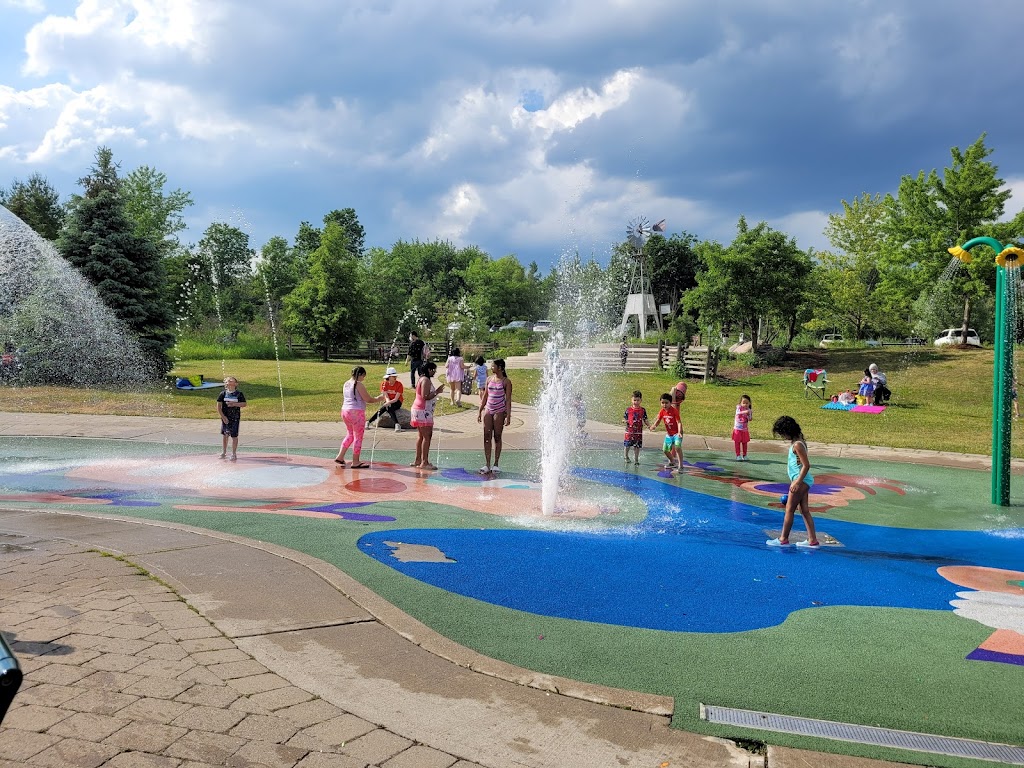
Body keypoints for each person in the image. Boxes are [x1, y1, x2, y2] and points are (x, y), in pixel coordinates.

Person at [767, 415, 819, 548]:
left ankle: (783, 539)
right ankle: (812, 540)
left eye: (782, 434)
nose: (783, 437)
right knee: (804, 510)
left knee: (789, 509)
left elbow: (806, 465)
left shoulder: (797, 444)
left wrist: (796, 482)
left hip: (800, 481)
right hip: (803, 480)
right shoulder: (798, 442)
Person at [335, 366, 394, 468]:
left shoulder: (346, 384)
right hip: (356, 413)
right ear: (361, 374)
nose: (364, 378)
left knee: (350, 434)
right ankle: (355, 461)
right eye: (364, 376)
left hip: (345, 411)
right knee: (358, 437)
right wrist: (380, 398)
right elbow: (368, 399)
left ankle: (340, 456)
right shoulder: (358, 385)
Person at [477, 358, 512, 475]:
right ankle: (487, 464)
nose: (491, 367)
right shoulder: (489, 379)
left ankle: (496, 463)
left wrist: (509, 415)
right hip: (488, 409)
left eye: (493, 366)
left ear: (500, 368)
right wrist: (480, 410)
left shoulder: (506, 382)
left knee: (497, 436)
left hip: (499, 410)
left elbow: (508, 400)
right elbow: (485, 396)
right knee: (487, 436)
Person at [410, 360, 445, 470]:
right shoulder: (425, 380)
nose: (435, 372)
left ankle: (418, 460)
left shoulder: (421, 378)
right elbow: (425, 396)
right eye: (433, 369)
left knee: (421, 436)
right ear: (429, 369)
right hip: (423, 410)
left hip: (418, 409)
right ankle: (424, 462)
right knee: (427, 436)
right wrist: (437, 391)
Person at [217, 376, 247, 461]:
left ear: (236, 384)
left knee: (234, 435)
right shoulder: (223, 394)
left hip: (235, 418)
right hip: (225, 417)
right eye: (228, 380)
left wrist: (234, 404)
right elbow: (218, 407)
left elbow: (244, 404)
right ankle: (224, 452)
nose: (229, 381)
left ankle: (234, 453)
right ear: (225, 383)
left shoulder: (239, 394)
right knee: (225, 435)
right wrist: (223, 417)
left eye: (231, 380)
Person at [651, 392, 683, 471]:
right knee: (665, 450)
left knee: (677, 447)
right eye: (662, 403)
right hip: (669, 434)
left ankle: (681, 465)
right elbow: (658, 420)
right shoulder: (662, 411)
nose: (664, 405)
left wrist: (679, 432)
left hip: (676, 433)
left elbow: (679, 422)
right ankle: (672, 462)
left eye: (666, 403)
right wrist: (654, 425)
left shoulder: (674, 411)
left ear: (670, 403)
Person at [367, 367, 404, 432]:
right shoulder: (384, 384)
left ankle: (397, 424)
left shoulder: (399, 384)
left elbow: (396, 399)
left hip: (397, 401)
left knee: (388, 407)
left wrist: (388, 403)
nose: (395, 377)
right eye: (392, 376)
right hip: (388, 400)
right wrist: (388, 402)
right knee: (384, 408)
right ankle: (369, 422)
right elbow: (386, 396)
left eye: (395, 376)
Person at [622, 390, 649, 465]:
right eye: (634, 400)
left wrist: (649, 426)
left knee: (637, 446)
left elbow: (645, 419)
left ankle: (636, 460)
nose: (636, 402)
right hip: (629, 431)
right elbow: (624, 418)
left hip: (638, 432)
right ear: (631, 400)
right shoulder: (628, 410)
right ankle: (626, 456)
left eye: (638, 400)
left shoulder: (642, 410)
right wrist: (625, 421)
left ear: (641, 400)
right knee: (627, 445)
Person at [733, 394, 753, 461]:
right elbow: (738, 413)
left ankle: (745, 455)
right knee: (737, 442)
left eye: (747, 403)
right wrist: (745, 412)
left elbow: (750, 419)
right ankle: (738, 455)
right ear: (740, 403)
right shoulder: (738, 408)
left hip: (744, 429)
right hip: (738, 429)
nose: (745, 404)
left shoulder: (749, 410)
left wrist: (749, 414)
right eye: (743, 403)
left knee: (745, 443)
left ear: (749, 403)